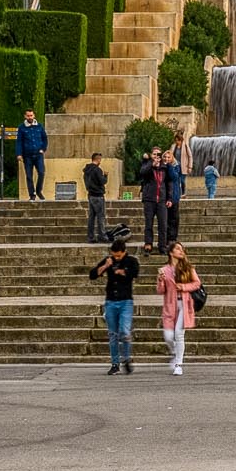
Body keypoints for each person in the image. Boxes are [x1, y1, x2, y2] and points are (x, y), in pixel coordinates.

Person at [89, 237, 141, 375]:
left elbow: (135, 273)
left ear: (124, 252)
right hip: (110, 301)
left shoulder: (131, 261)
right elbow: (93, 275)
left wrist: (123, 272)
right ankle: (115, 363)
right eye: (114, 255)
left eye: (118, 255)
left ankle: (127, 358)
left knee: (124, 331)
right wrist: (106, 266)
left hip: (125, 301)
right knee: (113, 334)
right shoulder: (109, 260)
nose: (116, 258)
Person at [157, 243, 202, 376]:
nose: (181, 251)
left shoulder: (188, 268)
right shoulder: (164, 270)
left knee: (179, 334)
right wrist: (160, 280)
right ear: (171, 252)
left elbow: (197, 283)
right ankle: (175, 352)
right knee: (168, 336)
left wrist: (183, 287)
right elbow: (160, 291)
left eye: (182, 249)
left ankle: (178, 364)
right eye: (177, 249)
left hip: (184, 304)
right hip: (170, 306)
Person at [140, 148, 171, 251]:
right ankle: (148, 244)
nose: (156, 155)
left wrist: (169, 198)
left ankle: (162, 245)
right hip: (149, 199)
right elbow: (142, 173)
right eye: (154, 154)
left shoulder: (164, 167)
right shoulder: (147, 164)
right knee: (149, 223)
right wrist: (152, 164)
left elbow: (168, 183)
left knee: (163, 224)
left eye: (158, 154)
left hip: (161, 200)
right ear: (151, 155)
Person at [18, 110, 48, 200]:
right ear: (25, 116)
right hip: (27, 155)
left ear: (34, 115)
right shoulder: (22, 127)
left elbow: (45, 138)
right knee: (29, 176)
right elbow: (19, 141)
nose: (30, 117)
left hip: (38, 154)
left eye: (31, 115)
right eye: (28, 116)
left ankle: (38, 190)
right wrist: (19, 154)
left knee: (41, 172)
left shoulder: (39, 126)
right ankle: (32, 194)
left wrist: (43, 149)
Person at [83, 153, 110, 243]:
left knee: (91, 217)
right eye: (100, 160)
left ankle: (91, 237)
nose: (100, 161)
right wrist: (105, 175)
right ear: (97, 159)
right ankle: (102, 236)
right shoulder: (97, 170)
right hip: (98, 196)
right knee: (100, 216)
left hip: (90, 195)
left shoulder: (86, 170)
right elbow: (102, 181)